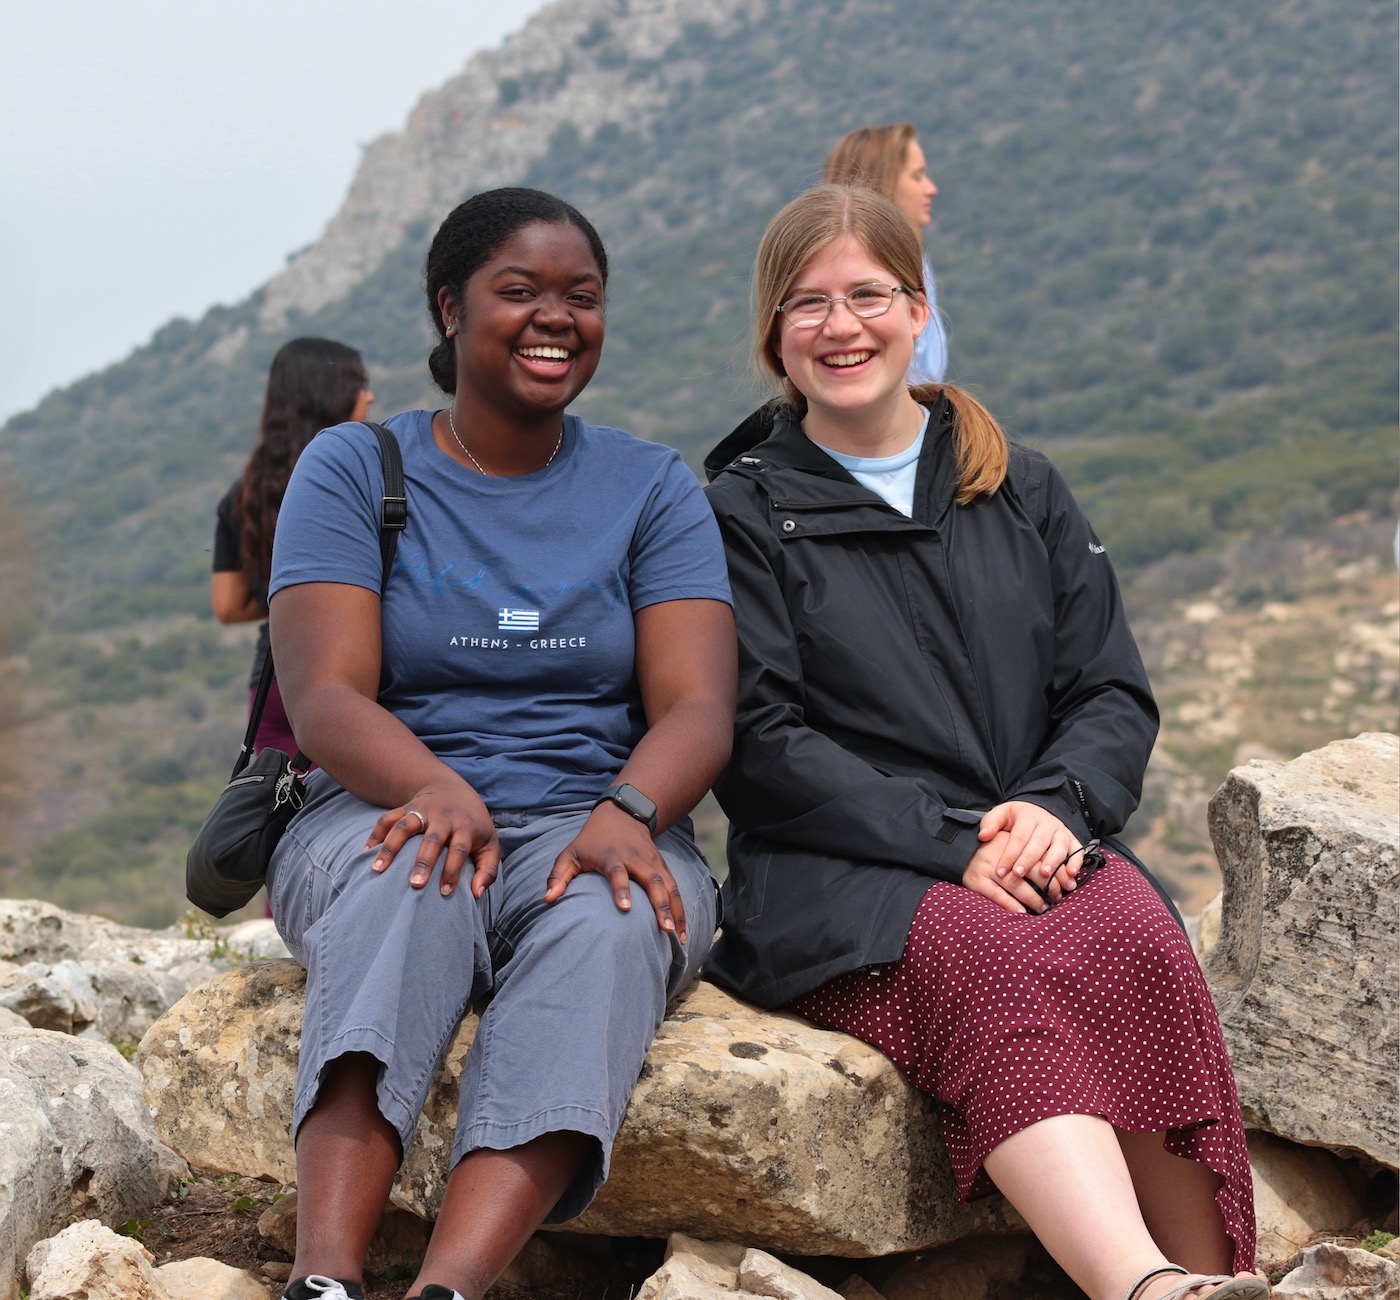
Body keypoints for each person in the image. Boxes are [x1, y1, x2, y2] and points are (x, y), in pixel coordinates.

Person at [701, 185, 1267, 1300]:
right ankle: (1138, 1286)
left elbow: (1108, 690)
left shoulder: (1015, 485)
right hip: (840, 879)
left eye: (867, 294)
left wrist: (1054, 805)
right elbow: (758, 742)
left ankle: (1210, 1279)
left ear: (916, 309)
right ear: (774, 335)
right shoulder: (743, 511)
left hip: (1029, 835)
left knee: (1135, 930)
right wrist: (949, 839)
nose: (839, 325)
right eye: (805, 304)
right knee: (984, 952)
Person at [263, 187, 736, 1300]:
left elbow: (697, 707)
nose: (553, 317)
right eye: (517, 291)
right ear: (449, 307)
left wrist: (628, 813)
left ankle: (448, 1289)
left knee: (613, 920)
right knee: (409, 878)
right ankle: (323, 1280)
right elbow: (324, 695)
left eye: (582, 296)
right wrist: (431, 782)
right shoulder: (352, 468)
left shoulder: (648, 485)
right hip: (378, 802)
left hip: (594, 817)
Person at [211, 336, 373, 756]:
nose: (369, 395)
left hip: (275, 682)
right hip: (356, 681)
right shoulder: (368, 484)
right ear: (331, 395)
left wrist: (288, 593)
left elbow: (228, 607)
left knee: (272, 812)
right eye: (360, 383)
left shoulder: (244, 494)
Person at [824, 122, 947, 383]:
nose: (930, 189)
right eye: (917, 176)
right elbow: (920, 375)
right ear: (885, 181)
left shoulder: (914, 257)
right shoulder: (893, 266)